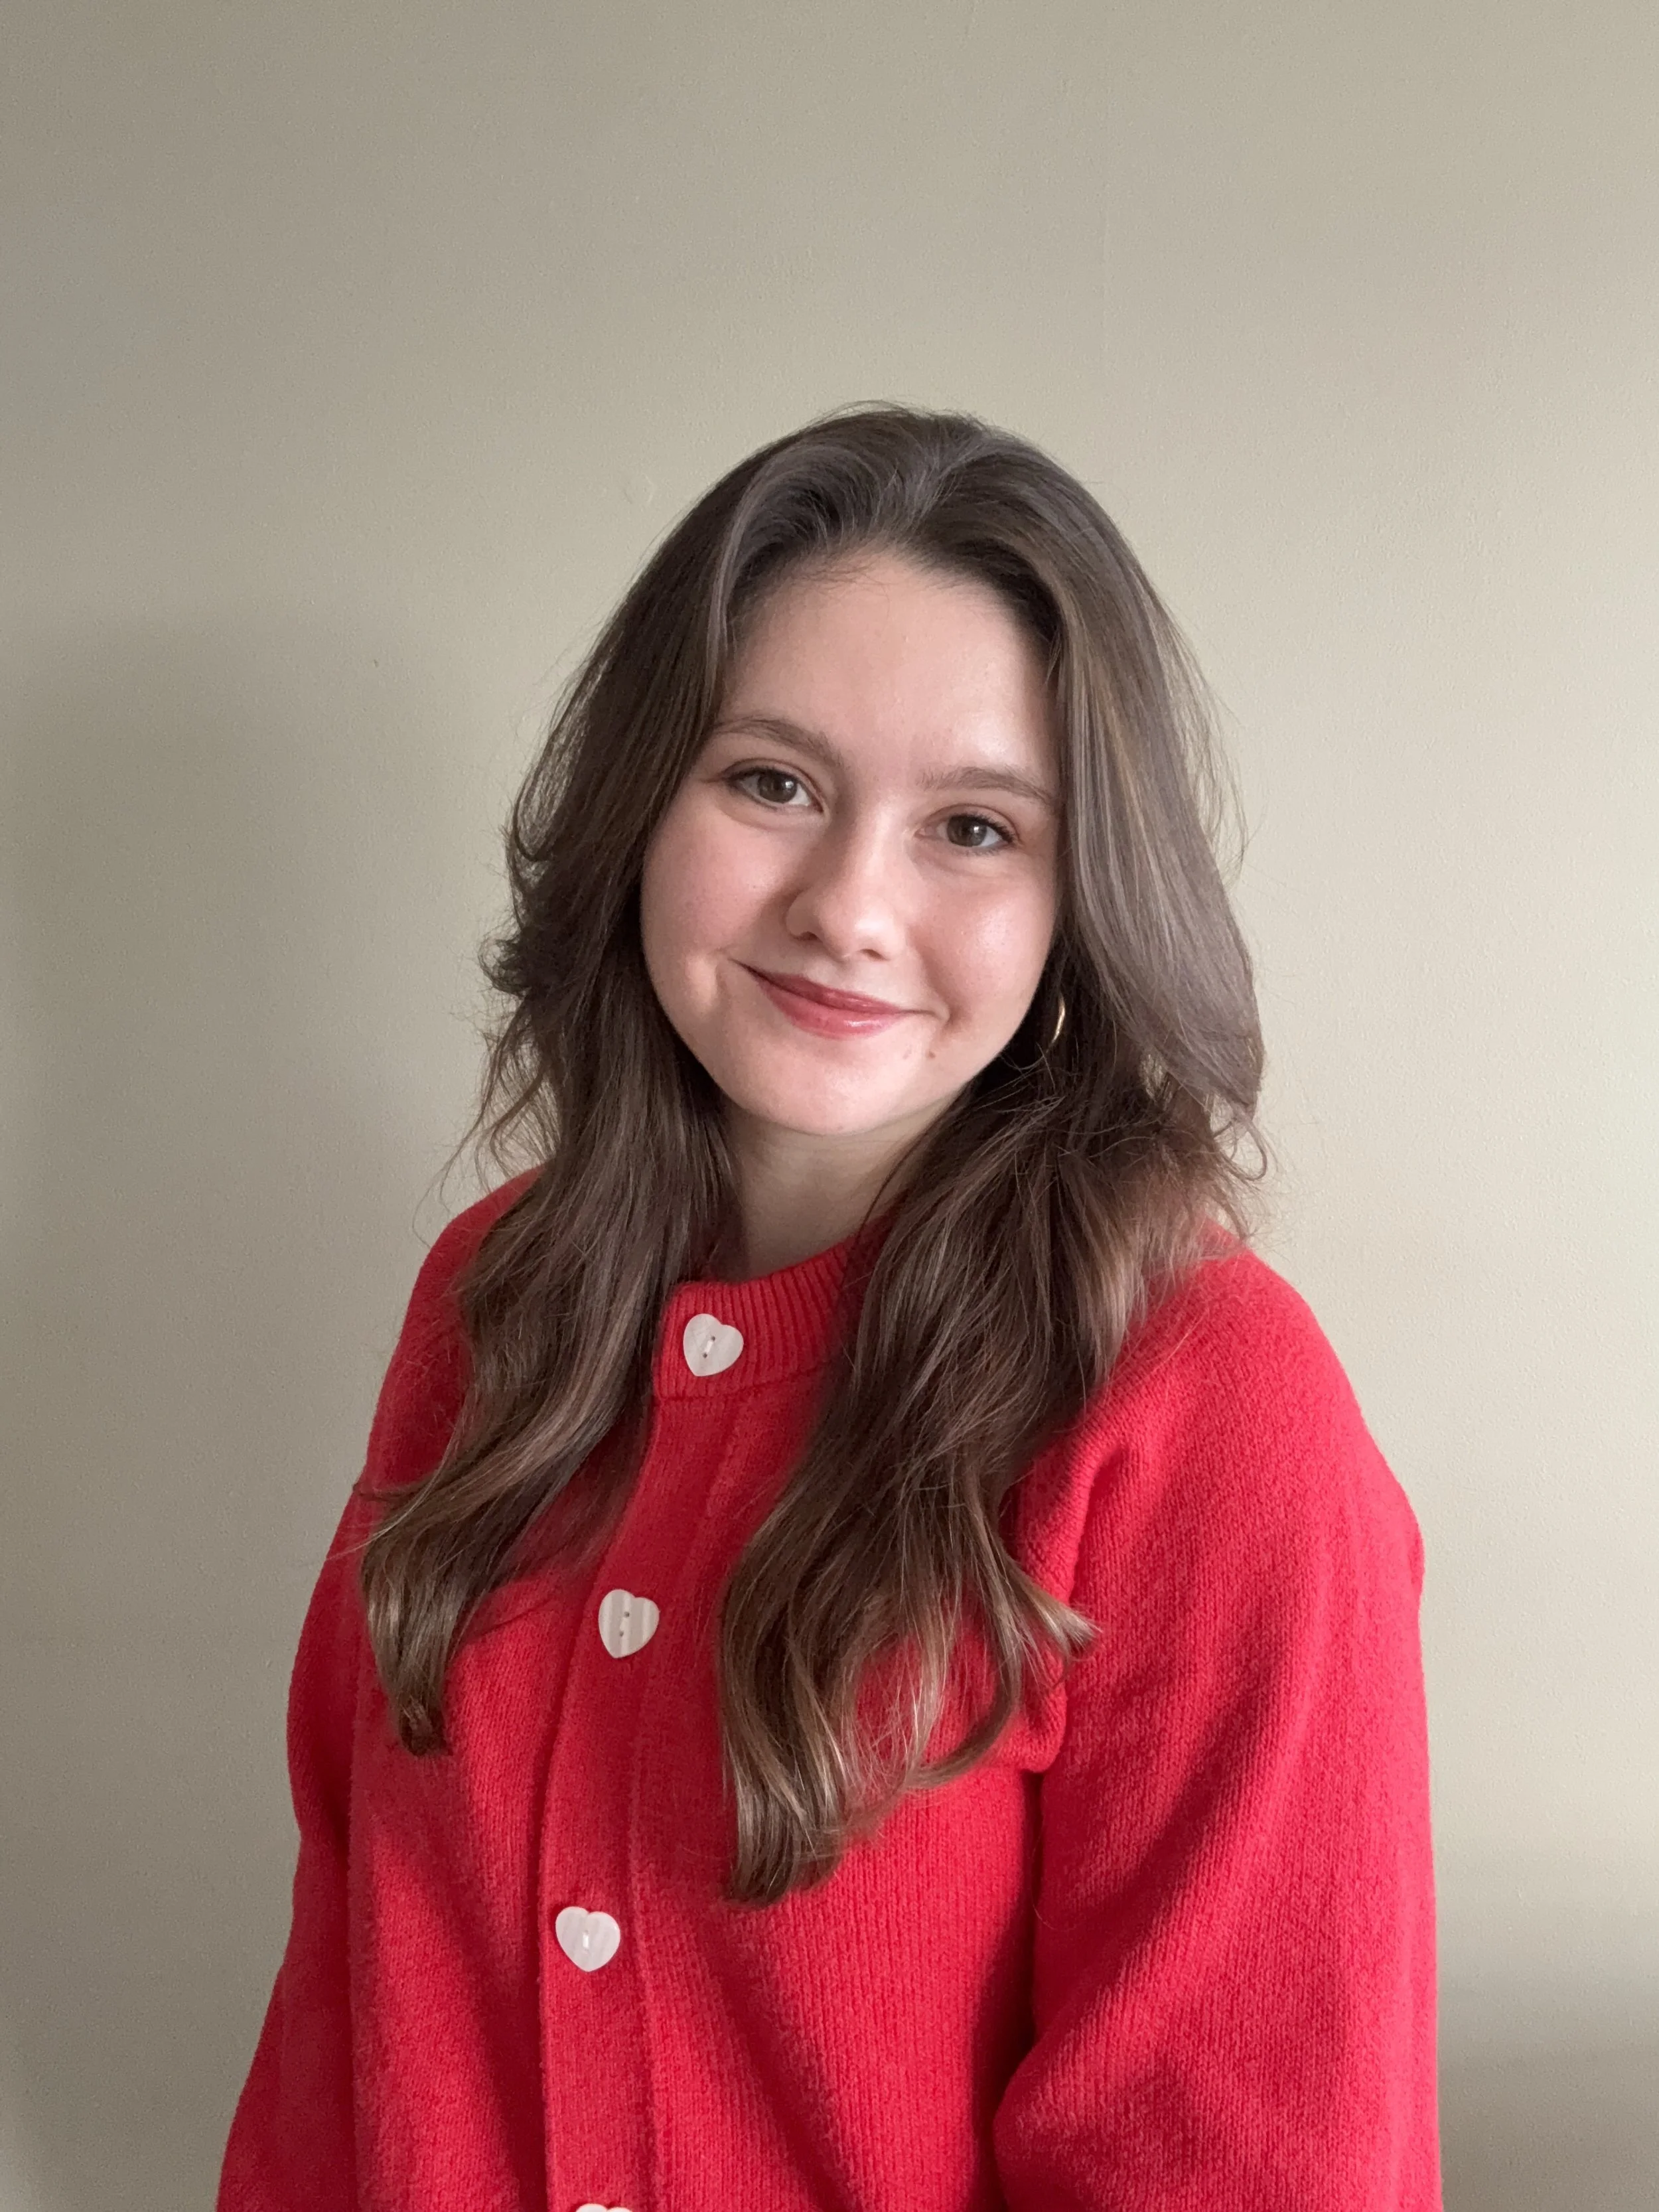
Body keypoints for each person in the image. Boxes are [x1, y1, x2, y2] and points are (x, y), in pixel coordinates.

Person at [216, 403, 1441, 2211]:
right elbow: (348, 1997)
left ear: (1081, 899)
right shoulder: (494, 1296)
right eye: (770, 781)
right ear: (643, 799)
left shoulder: (1208, 1405)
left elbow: (1249, 2166)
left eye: (970, 826)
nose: (849, 907)